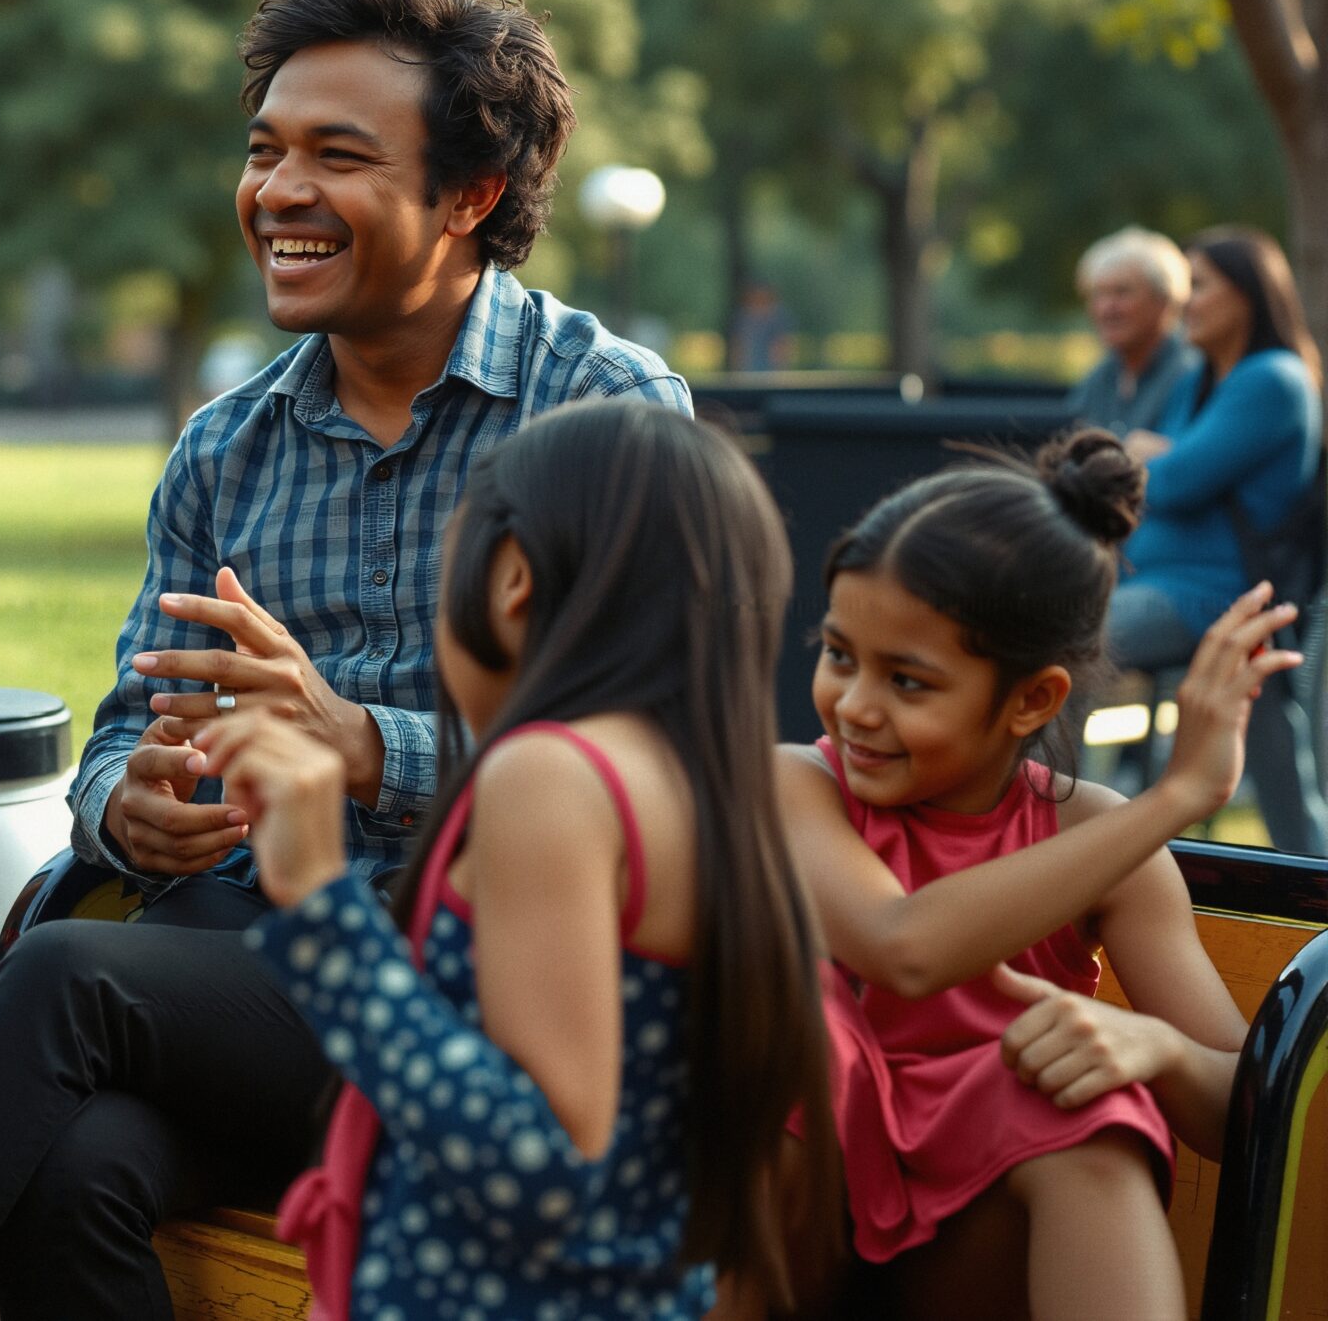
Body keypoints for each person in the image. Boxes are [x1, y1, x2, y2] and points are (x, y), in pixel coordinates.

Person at [0, 0, 690, 1321]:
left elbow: (661, 761)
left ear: (468, 195)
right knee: (71, 1179)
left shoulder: (605, 414)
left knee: (60, 971)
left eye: (337, 155)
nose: (278, 192)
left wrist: (362, 747)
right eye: (265, 149)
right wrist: (132, 807)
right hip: (243, 974)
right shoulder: (227, 444)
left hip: (496, 987)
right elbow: (122, 728)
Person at [193, 401, 835, 1319]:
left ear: (513, 579)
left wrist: (321, 901)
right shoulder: (704, 783)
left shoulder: (553, 775)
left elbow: (546, 1164)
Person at [778, 431, 1276, 1319]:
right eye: (839, 654)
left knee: (1082, 1102)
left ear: (1032, 699)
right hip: (799, 1234)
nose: (854, 705)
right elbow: (906, 946)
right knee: (797, 1036)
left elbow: (1245, 1108)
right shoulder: (793, 786)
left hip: (969, 1254)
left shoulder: (1097, 843)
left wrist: (1152, 1047)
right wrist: (1174, 798)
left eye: (909, 682)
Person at [1107, 226, 1326, 855]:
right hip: (1162, 586)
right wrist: (1160, 458)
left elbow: (1168, 483)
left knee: (1055, 642)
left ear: (1249, 295)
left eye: (1200, 285)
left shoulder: (1274, 379)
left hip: (1218, 599)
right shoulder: (1196, 380)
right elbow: (1152, 468)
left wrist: (1156, 457)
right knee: (1289, 797)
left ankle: (1050, 825)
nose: (1186, 303)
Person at [1066, 227, 1198, 437]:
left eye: (1122, 292)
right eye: (1098, 294)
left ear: (1164, 301)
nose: (1106, 309)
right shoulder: (1100, 378)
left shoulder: (1191, 374)